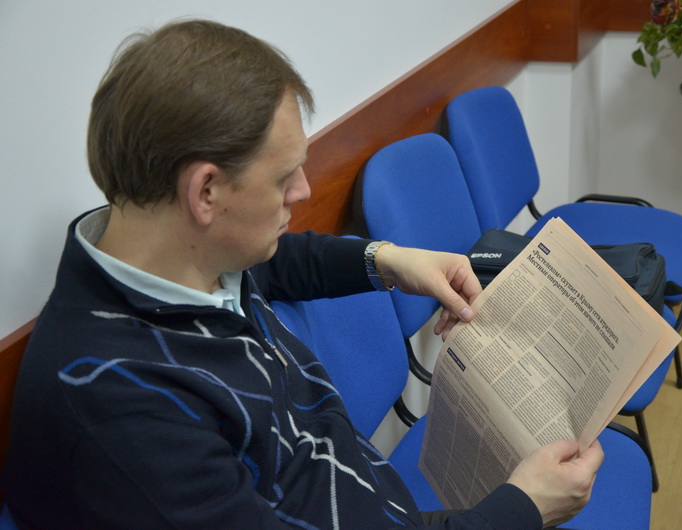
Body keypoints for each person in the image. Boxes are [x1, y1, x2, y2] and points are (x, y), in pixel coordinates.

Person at [1, 19, 603, 529]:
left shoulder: (167, 252)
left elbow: (277, 264)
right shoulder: (124, 413)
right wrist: (521, 511)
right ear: (206, 192)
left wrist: (389, 261)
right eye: (283, 176)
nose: (305, 191)